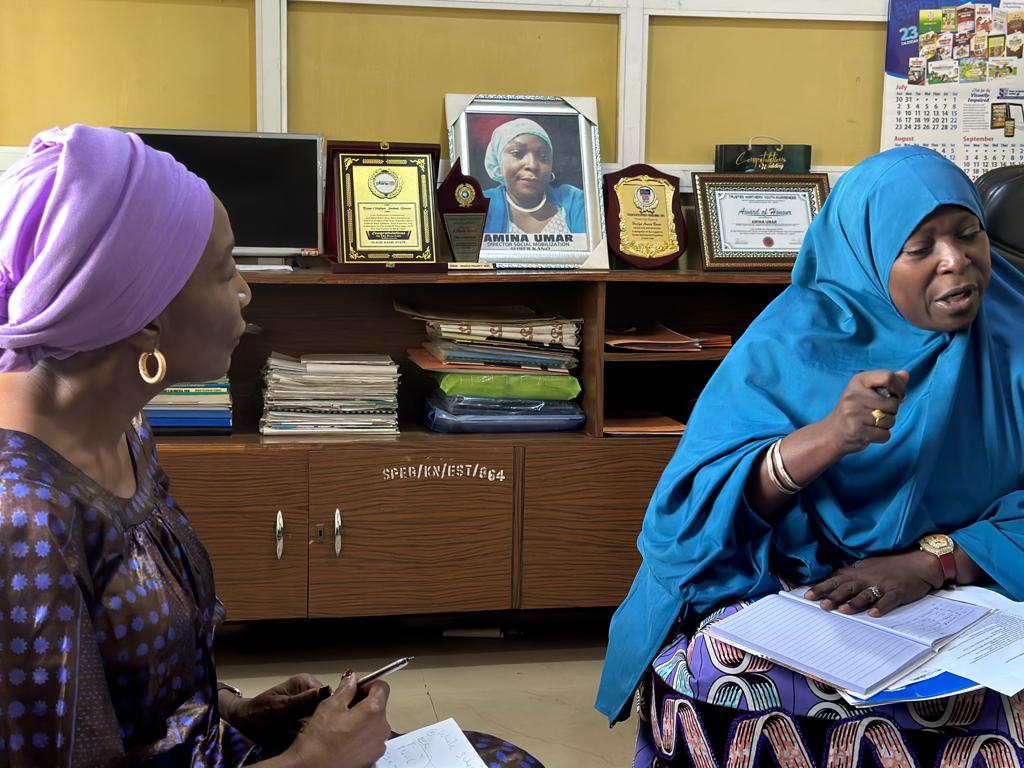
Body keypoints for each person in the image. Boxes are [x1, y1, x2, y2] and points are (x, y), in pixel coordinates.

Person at [0, 125, 543, 768]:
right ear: (141, 313)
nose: (245, 291)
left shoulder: (124, 428)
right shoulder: (23, 523)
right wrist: (314, 760)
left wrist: (233, 709)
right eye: (226, 270)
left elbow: (137, 694)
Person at [596, 146, 1024, 766]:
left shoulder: (1012, 332)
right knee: (728, 669)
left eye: (968, 235)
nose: (955, 262)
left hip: (980, 580)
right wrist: (825, 439)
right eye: (920, 248)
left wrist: (937, 562)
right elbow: (684, 526)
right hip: (799, 581)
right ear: (870, 256)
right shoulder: (794, 338)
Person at [481, 118, 587, 236]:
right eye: (517, 154)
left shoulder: (574, 201)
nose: (532, 165)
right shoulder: (481, 204)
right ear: (498, 162)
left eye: (542, 156)